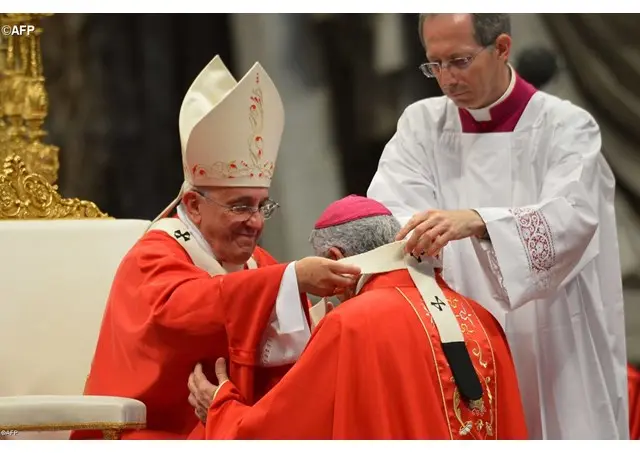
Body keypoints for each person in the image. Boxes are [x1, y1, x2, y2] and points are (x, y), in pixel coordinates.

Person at [366, 13, 628, 440]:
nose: (447, 79)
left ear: (502, 48)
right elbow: (391, 212)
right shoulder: (422, 126)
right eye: (435, 64)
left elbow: (573, 217)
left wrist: (481, 221)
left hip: (555, 336)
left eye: (460, 60)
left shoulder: (567, 128)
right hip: (460, 332)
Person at [71, 56, 360, 440]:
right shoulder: (154, 255)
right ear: (193, 205)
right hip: (156, 432)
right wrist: (292, 279)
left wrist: (334, 304)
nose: (255, 222)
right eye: (240, 206)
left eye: (262, 206)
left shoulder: (258, 265)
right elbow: (182, 312)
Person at [186, 195, 529, 440]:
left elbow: (282, 429)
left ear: (336, 258)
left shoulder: (351, 324)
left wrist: (222, 409)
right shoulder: (483, 320)